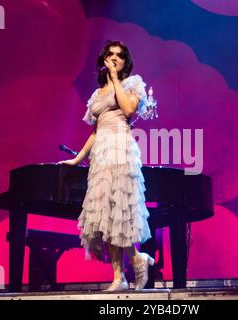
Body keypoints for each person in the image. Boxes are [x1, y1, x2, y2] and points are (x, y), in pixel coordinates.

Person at [58, 40, 154, 291]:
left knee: (121, 209)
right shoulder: (97, 94)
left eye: (119, 56)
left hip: (121, 148)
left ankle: (134, 260)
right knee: (106, 213)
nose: (114, 59)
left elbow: (129, 109)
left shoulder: (131, 84)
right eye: (110, 55)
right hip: (101, 153)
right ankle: (119, 276)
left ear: (125, 62)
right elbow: (95, 132)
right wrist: (78, 158)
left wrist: (114, 79)